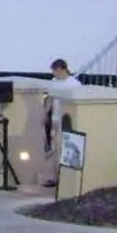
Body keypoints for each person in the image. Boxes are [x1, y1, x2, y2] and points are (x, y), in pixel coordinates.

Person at [40, 59, 73, 188]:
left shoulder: (74, 84)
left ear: (62, 69)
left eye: (55, 71)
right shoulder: (54, 83)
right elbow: (50, 99)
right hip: (55, 119)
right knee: (54, 148)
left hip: (67, 120)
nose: (54, 73)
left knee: (65, 148)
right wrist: (45, 114)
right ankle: (55, 177)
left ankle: (66, 177)